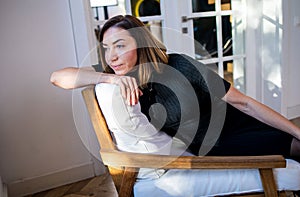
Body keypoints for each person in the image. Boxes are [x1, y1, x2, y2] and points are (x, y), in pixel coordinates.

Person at [50, 15, 300, 160]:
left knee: (294, 140)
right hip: (215, 146)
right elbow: (58, 77)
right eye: (106, 48)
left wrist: (297, 130)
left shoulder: (180, 64)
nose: (111, 57)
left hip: (236, 124)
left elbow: (243, 102)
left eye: (119, 45)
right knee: (289, 146)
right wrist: (109, 79)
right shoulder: (117, 74)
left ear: (140, 44)